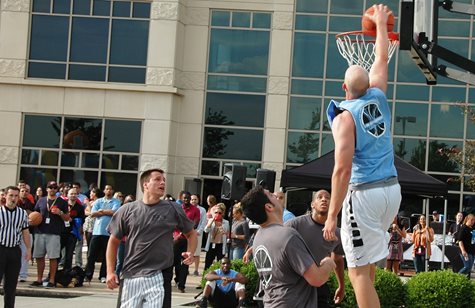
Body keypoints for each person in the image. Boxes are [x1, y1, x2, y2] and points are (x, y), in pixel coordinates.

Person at [323, 5, 401, 308]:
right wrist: (381, 24)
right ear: (367, 85)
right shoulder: (379, 95)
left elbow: (341, 170)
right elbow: (381, 57)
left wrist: (332, 214)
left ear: (344, 88)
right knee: (367, 264)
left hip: (365, 193)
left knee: (356, 272)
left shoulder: (344, 117)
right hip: (391, 190)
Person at [105, 168, 197, 308]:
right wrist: (110, 272)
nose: (162, 183)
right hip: (131, 275)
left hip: (160, 274)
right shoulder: (127, 210)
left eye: (164, 180)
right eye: (158, 179)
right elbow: (113, 242)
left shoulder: (173, 208)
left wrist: (190, 251)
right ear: (145, 185)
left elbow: (191, 233)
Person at [240, 186, 336, 307]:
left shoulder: (258, 237)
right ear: (269, 207)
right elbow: (316, 279)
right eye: (271, 195)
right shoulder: (287, 235)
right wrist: (328, 263)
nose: (276, 197)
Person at [285, 189, 345, 308]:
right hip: (294, 284)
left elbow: (337, 260)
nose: (324, 199)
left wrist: (341, 286)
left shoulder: (337, 233)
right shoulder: (294, 224)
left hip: (319, 284)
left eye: (328, 198)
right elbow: (278, 243)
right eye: (320, 197)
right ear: (312, 204)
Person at [30, 180, 70, 288]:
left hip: (54, 232)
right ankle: (39, 279)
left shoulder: (62, 202)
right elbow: (35, 214)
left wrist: (60, 213)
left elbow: (68, 218)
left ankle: (52, 280)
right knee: (39, 256)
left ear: (57, 189)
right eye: (50, 187)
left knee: (53, 257)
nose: (52, 189)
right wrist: (32, 220)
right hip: (39, 231)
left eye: (54, 187)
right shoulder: (41, 200)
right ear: (46, 189)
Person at [0, 186, 31, 308]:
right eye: (11, 195)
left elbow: (25, 232)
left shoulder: (22, 213)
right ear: (5, 196)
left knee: (11, 285)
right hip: (1, 248)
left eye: (16, 196)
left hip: (14, 250)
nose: (13, 198)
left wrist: (28, 249)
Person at [84, 184, 121, 283]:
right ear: (104, 191)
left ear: (112, 191)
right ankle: (88, 275)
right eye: (106, 189)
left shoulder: (116, 201)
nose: (108, 191)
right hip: (96, 232)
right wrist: (105, 212)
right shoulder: (98, 201)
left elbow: (114, 212)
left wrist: (102, 211)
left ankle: (103, 276)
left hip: (108, 233)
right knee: (91, 255)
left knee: (106, 255)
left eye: (110, 189)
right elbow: (93, 213)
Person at [173, 191, 200, 292]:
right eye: (184, 198)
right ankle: (177, 278)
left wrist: (185, 233)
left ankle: (182, 285)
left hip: (188, 239)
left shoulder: (195, 210)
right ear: (181, 198)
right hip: (176, 239)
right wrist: (178, 234)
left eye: (188, 198)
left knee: (185, 263)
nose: (186, 200)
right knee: (176, 262)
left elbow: (195, 224)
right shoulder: (178, 209)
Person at [204, 203, 229, 270]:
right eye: (216, 212)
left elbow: (228, 233)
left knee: (220, 263)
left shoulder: (226, 222)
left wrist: (224, 232)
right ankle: (205, 278)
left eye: (219, 213)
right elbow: (206, 230)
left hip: (220, 245)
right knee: (208, 263)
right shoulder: (210, 220)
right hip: (211, 244)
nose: (217, 214)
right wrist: (210, 223)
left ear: (222, 213)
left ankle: (219, 277)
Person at [191, 194, 207, 276]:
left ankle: (196, 270)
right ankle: (186, 268)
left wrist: (199, 231)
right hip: (188, 234)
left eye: (195, 199)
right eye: (192, 199)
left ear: (198, 200)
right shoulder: (187, 209)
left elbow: (204, 221)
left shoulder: (202, 210)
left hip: (197, 234)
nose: (193, 201)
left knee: (196, 253)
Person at [456, 214, 475, 278]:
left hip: (472, 251)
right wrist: (463, 251)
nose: (473, 221)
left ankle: (463, 280)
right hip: (466, 251)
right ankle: (456, 277)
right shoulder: (463, 228)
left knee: (469, 268)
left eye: (474, 220)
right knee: (467, 266)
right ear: (467, 219)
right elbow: (460, 240)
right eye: (471, 220)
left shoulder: (472, 229)